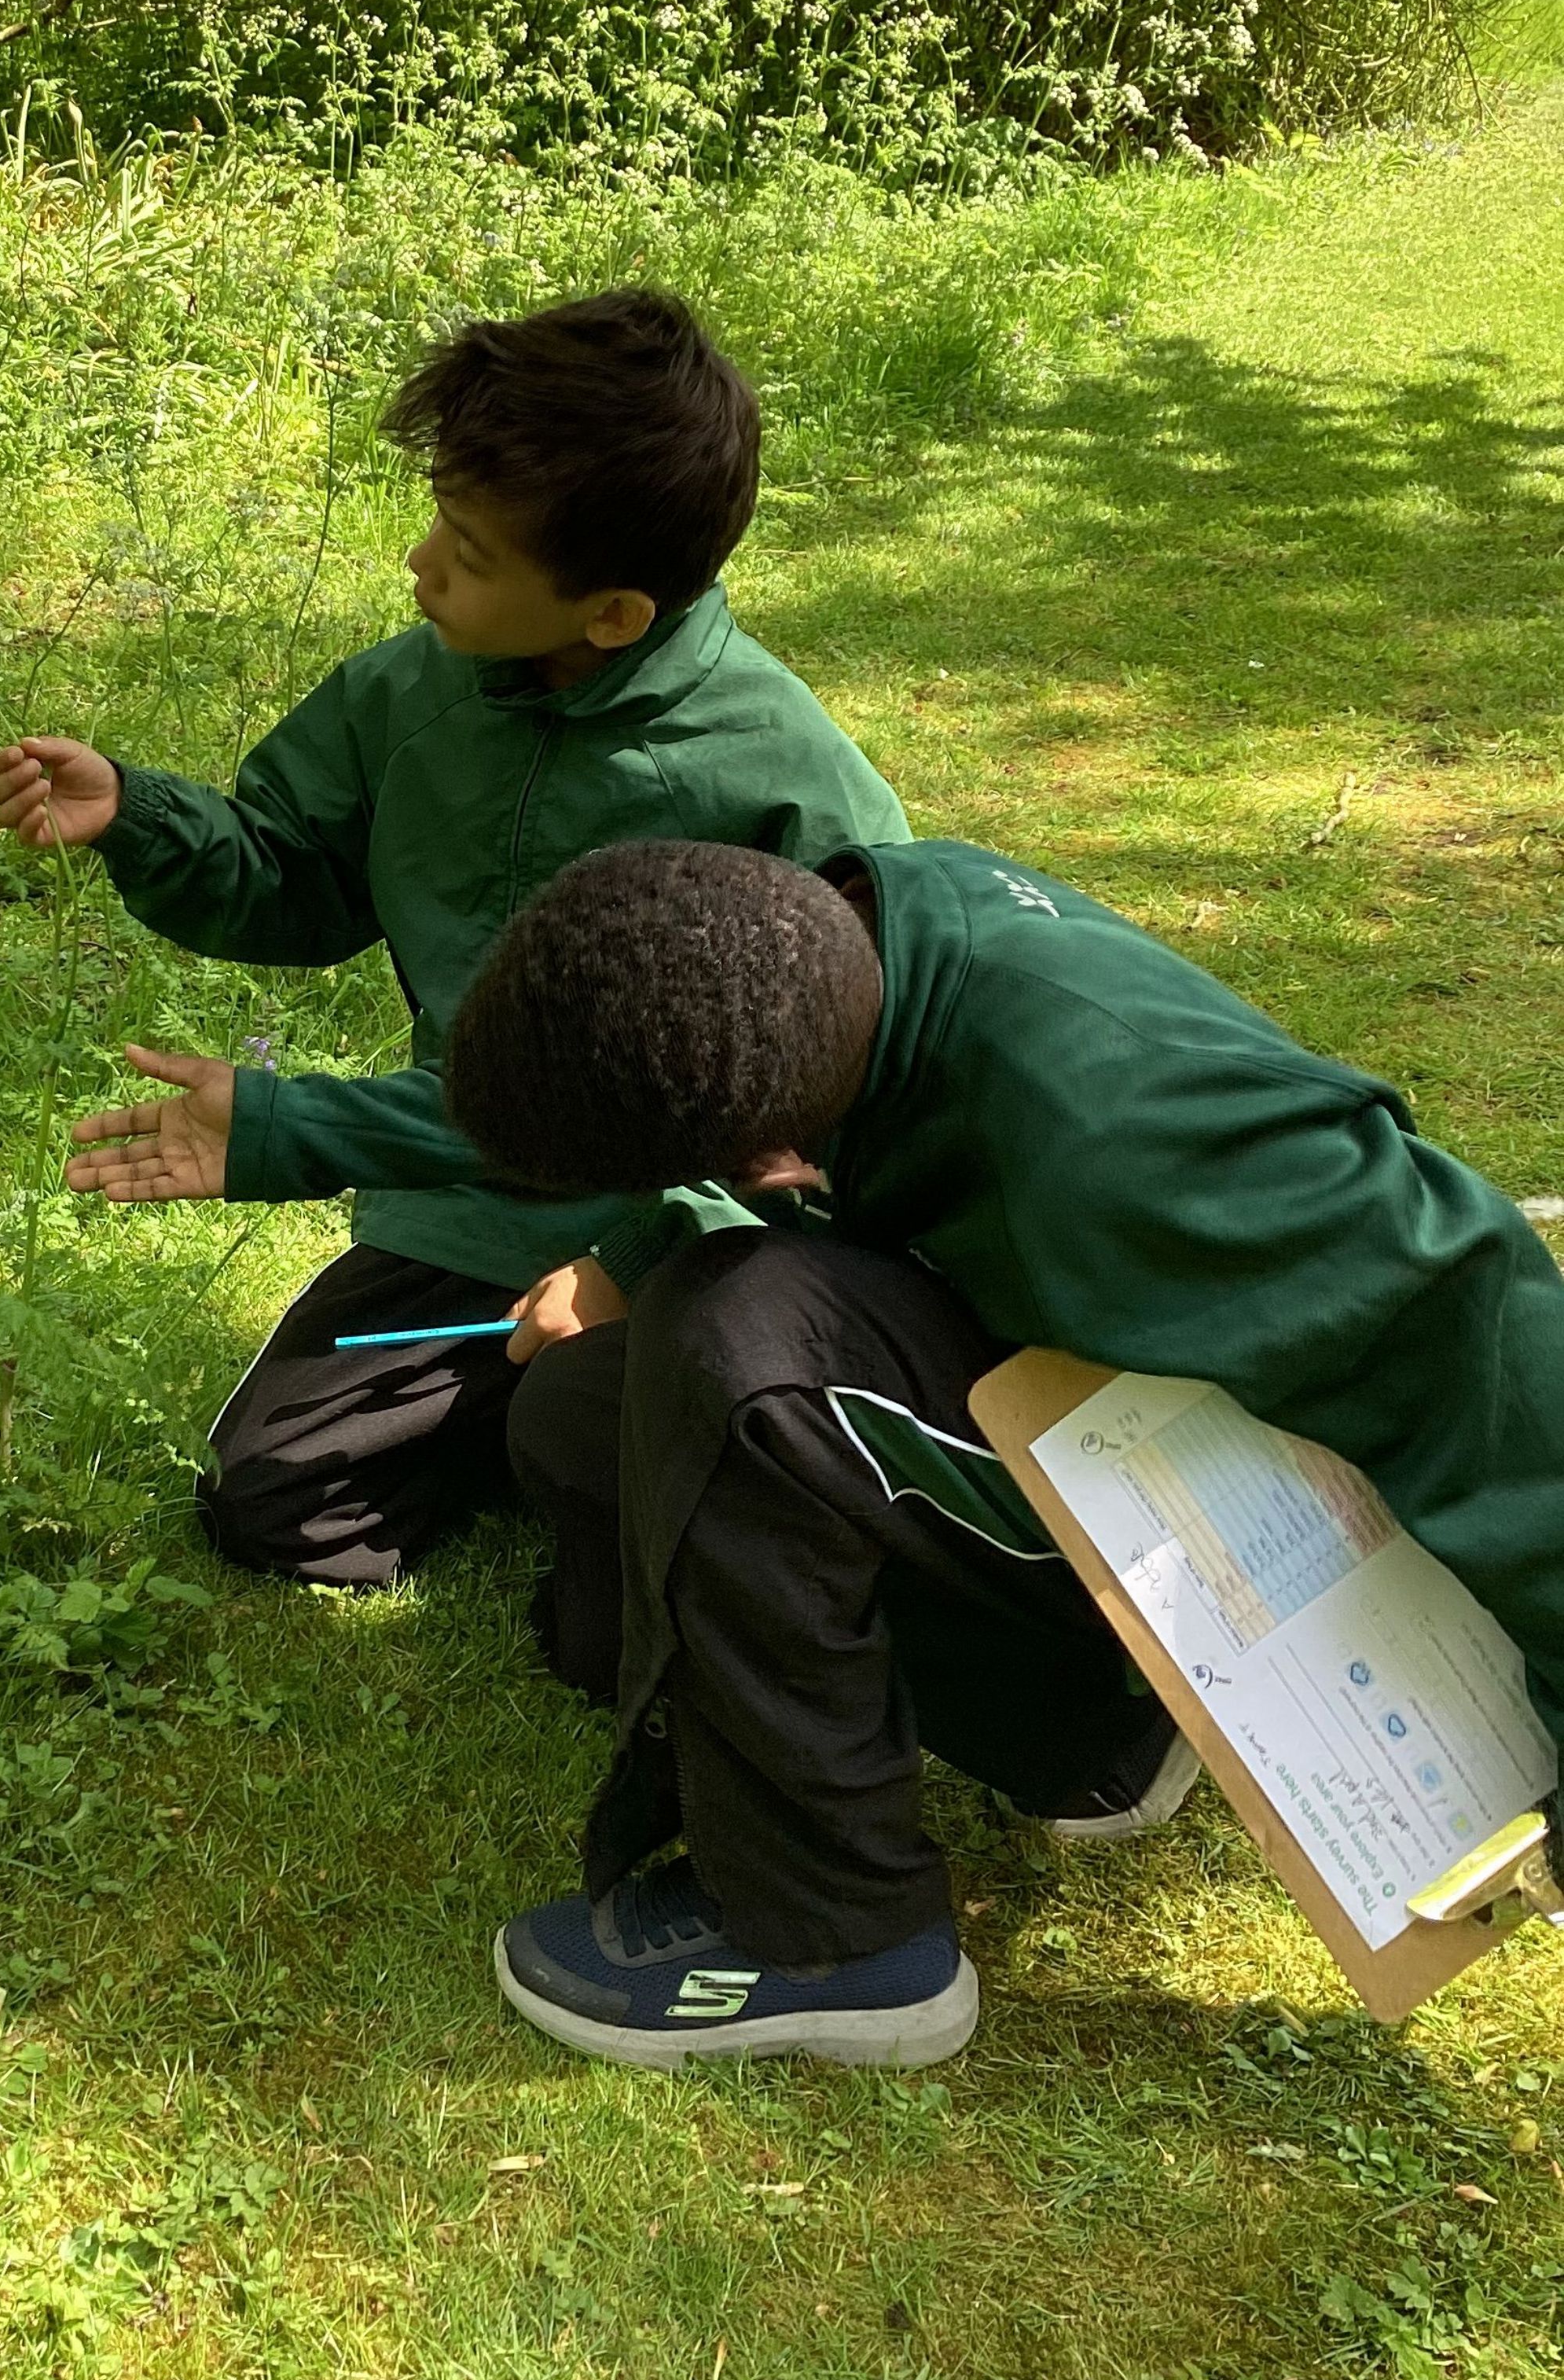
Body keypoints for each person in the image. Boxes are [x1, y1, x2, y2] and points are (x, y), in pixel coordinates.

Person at [435, 835, 1564, 2069]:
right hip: (1064, 1377)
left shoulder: (1140, 1141)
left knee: (736, 1353)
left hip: (1200, 1513)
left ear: (771, 1162)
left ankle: (840, 1940)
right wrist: (640, 1250)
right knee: (583, 1409)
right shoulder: (846, 939)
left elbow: (1481, 1312)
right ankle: (1076, 1739)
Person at [0, 289, 909, 1599]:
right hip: (464, 1191)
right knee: (273, 1498)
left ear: (612, 613)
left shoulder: (788, 785)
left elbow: (837, 1115)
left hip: (696, 1225)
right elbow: (293, 881)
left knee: (643, 1443)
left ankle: (609, 1403)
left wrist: (635, 1261)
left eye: (468, 553)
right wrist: (140, 817)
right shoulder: (407, 694)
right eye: (438, 520)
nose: (422, 565)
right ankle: (536, 1410)